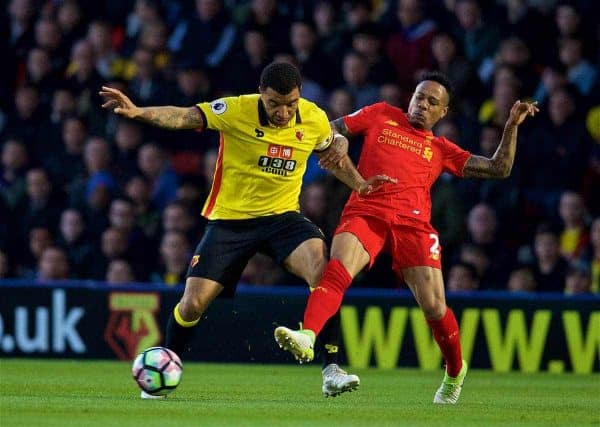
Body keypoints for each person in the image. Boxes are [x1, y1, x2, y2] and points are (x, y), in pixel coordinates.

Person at [99, 62, 392, 399]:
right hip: (230, 221)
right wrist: (139, 112)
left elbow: (332, 155)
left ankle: (331, 369)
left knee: (322, 269)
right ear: (260, 94)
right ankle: (168, 362)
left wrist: (360, 185)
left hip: (283, 217)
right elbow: (183, 117)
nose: (284, 112)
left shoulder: (313, 117)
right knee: (192, 304)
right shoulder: (236, 109)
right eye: (274, 104)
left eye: (291, 104)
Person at [274, 71, 538, 404]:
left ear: (443, 113)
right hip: (367, 210)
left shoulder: (441, 149)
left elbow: (499, 168)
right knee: (337, 270)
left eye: (432, 102)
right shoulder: (381, 113)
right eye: (418, 96)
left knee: (434, 307)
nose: (422, 105)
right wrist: (338, 140)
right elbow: (330, 129)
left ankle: (455, 371)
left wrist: (511, 126)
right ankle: (308, 334)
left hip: (413, 226)